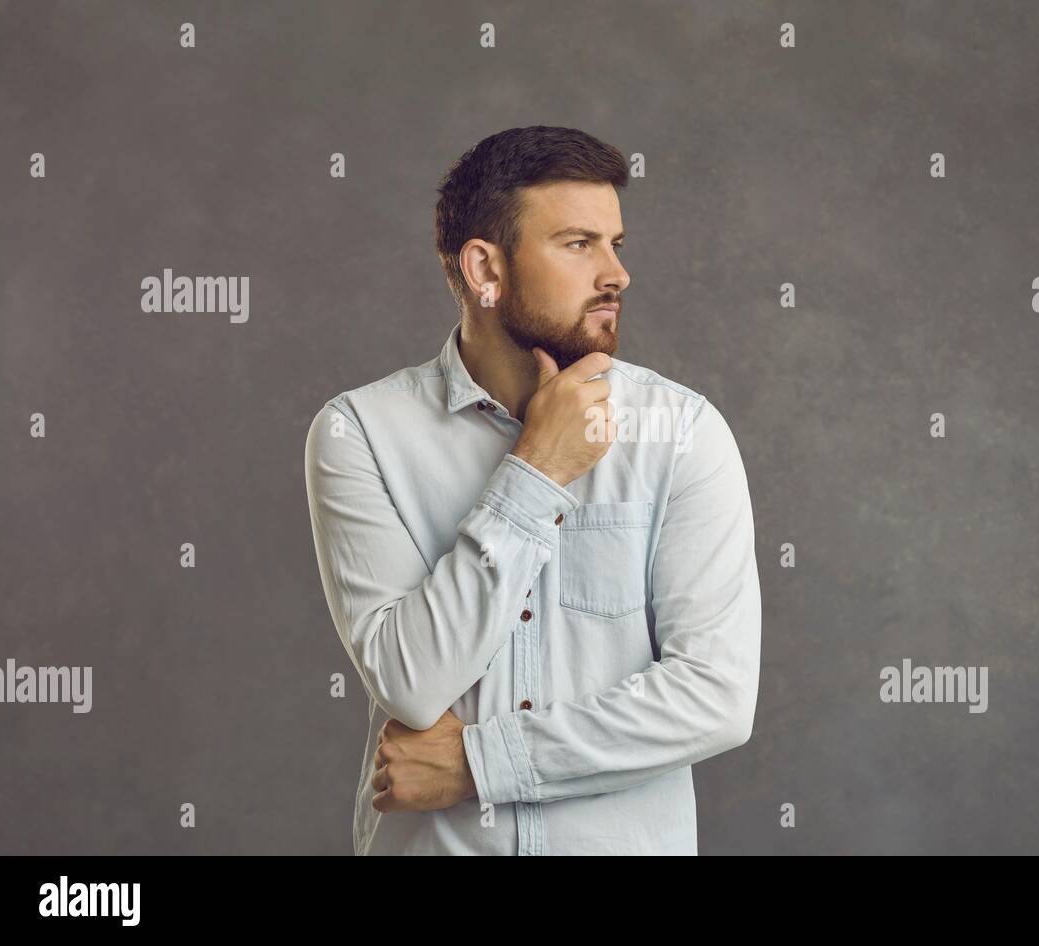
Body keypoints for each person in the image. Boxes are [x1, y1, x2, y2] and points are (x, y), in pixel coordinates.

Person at [304, 125, 761, 855]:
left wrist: (482, 762)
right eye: (579, 244)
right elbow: (412, 681)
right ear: (485, 269)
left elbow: (715, 699)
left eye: (617, 244)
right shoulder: (358, 433)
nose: (616, 273)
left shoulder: (684, 433)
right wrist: (537, 470)